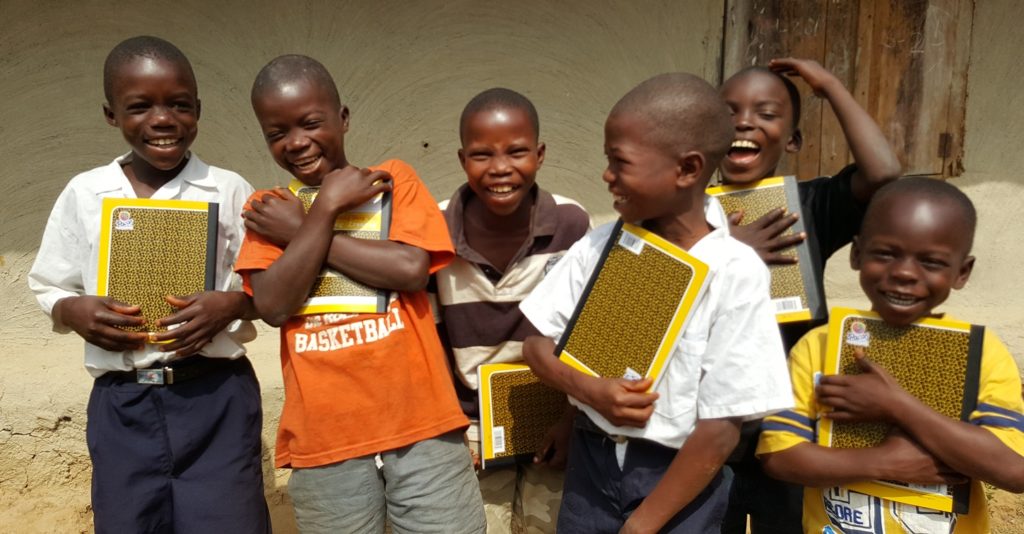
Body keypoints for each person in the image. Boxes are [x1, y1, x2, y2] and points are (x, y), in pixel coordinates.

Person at [519, 72, 793, 534]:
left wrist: (643, 525)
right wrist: (590, 393)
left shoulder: (735, 273)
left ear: (687, 169)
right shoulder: (600, 246)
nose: (607, 175)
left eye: (620, 162)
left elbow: (721, 428)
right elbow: (536, 346)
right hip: (590, 468)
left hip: (677, 485)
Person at [27, 36, 269, 533]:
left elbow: (267, 285)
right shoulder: (86, 192)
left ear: (198, 109)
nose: (162, 119)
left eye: (179, 104)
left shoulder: (228, 189)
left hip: (214, 397)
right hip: (123, 404)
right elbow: (50, 282)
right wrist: (73, 311)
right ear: (111, 114)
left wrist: (232, 305)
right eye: (140, 107)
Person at [235, 54, 484, 533]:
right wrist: (325, 208)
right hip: (325, 439)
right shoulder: (268, 209)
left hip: (422, 425)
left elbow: (410, 269)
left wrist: (304, 229)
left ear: (343, 118)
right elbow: (272, 305)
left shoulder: (392, 181)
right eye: (277, 133)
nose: (297, 142)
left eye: (311, 123)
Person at [757, 177, 1024, 533]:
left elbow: (1014, 470)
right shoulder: (817, 347)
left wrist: (897, 406)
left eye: (931, 262)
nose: (904, 273)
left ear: (962, 272)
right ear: (856, 254)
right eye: (885, 254)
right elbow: (778, 457)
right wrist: (883, 462)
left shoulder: (983, 354)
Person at [718, 58, 902, 534]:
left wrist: (830, 86)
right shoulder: (685, 213)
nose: (744, 122)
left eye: (766, 114)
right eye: (729, 112)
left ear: (793, 140)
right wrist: (725, 251)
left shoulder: (813, 204)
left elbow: (883, 174)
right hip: (712, 420)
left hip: (791, 417)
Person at [434, 87, 590, 533]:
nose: (500, 168)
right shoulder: (435, 229)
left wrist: (571, 418)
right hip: (471, 428)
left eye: (516, 151)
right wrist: (449, 428)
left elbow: (583, 330)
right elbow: (430, 336)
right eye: (482, 154)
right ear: (462, 159)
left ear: (539, 155)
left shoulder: (571, 223)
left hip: (554, 418)